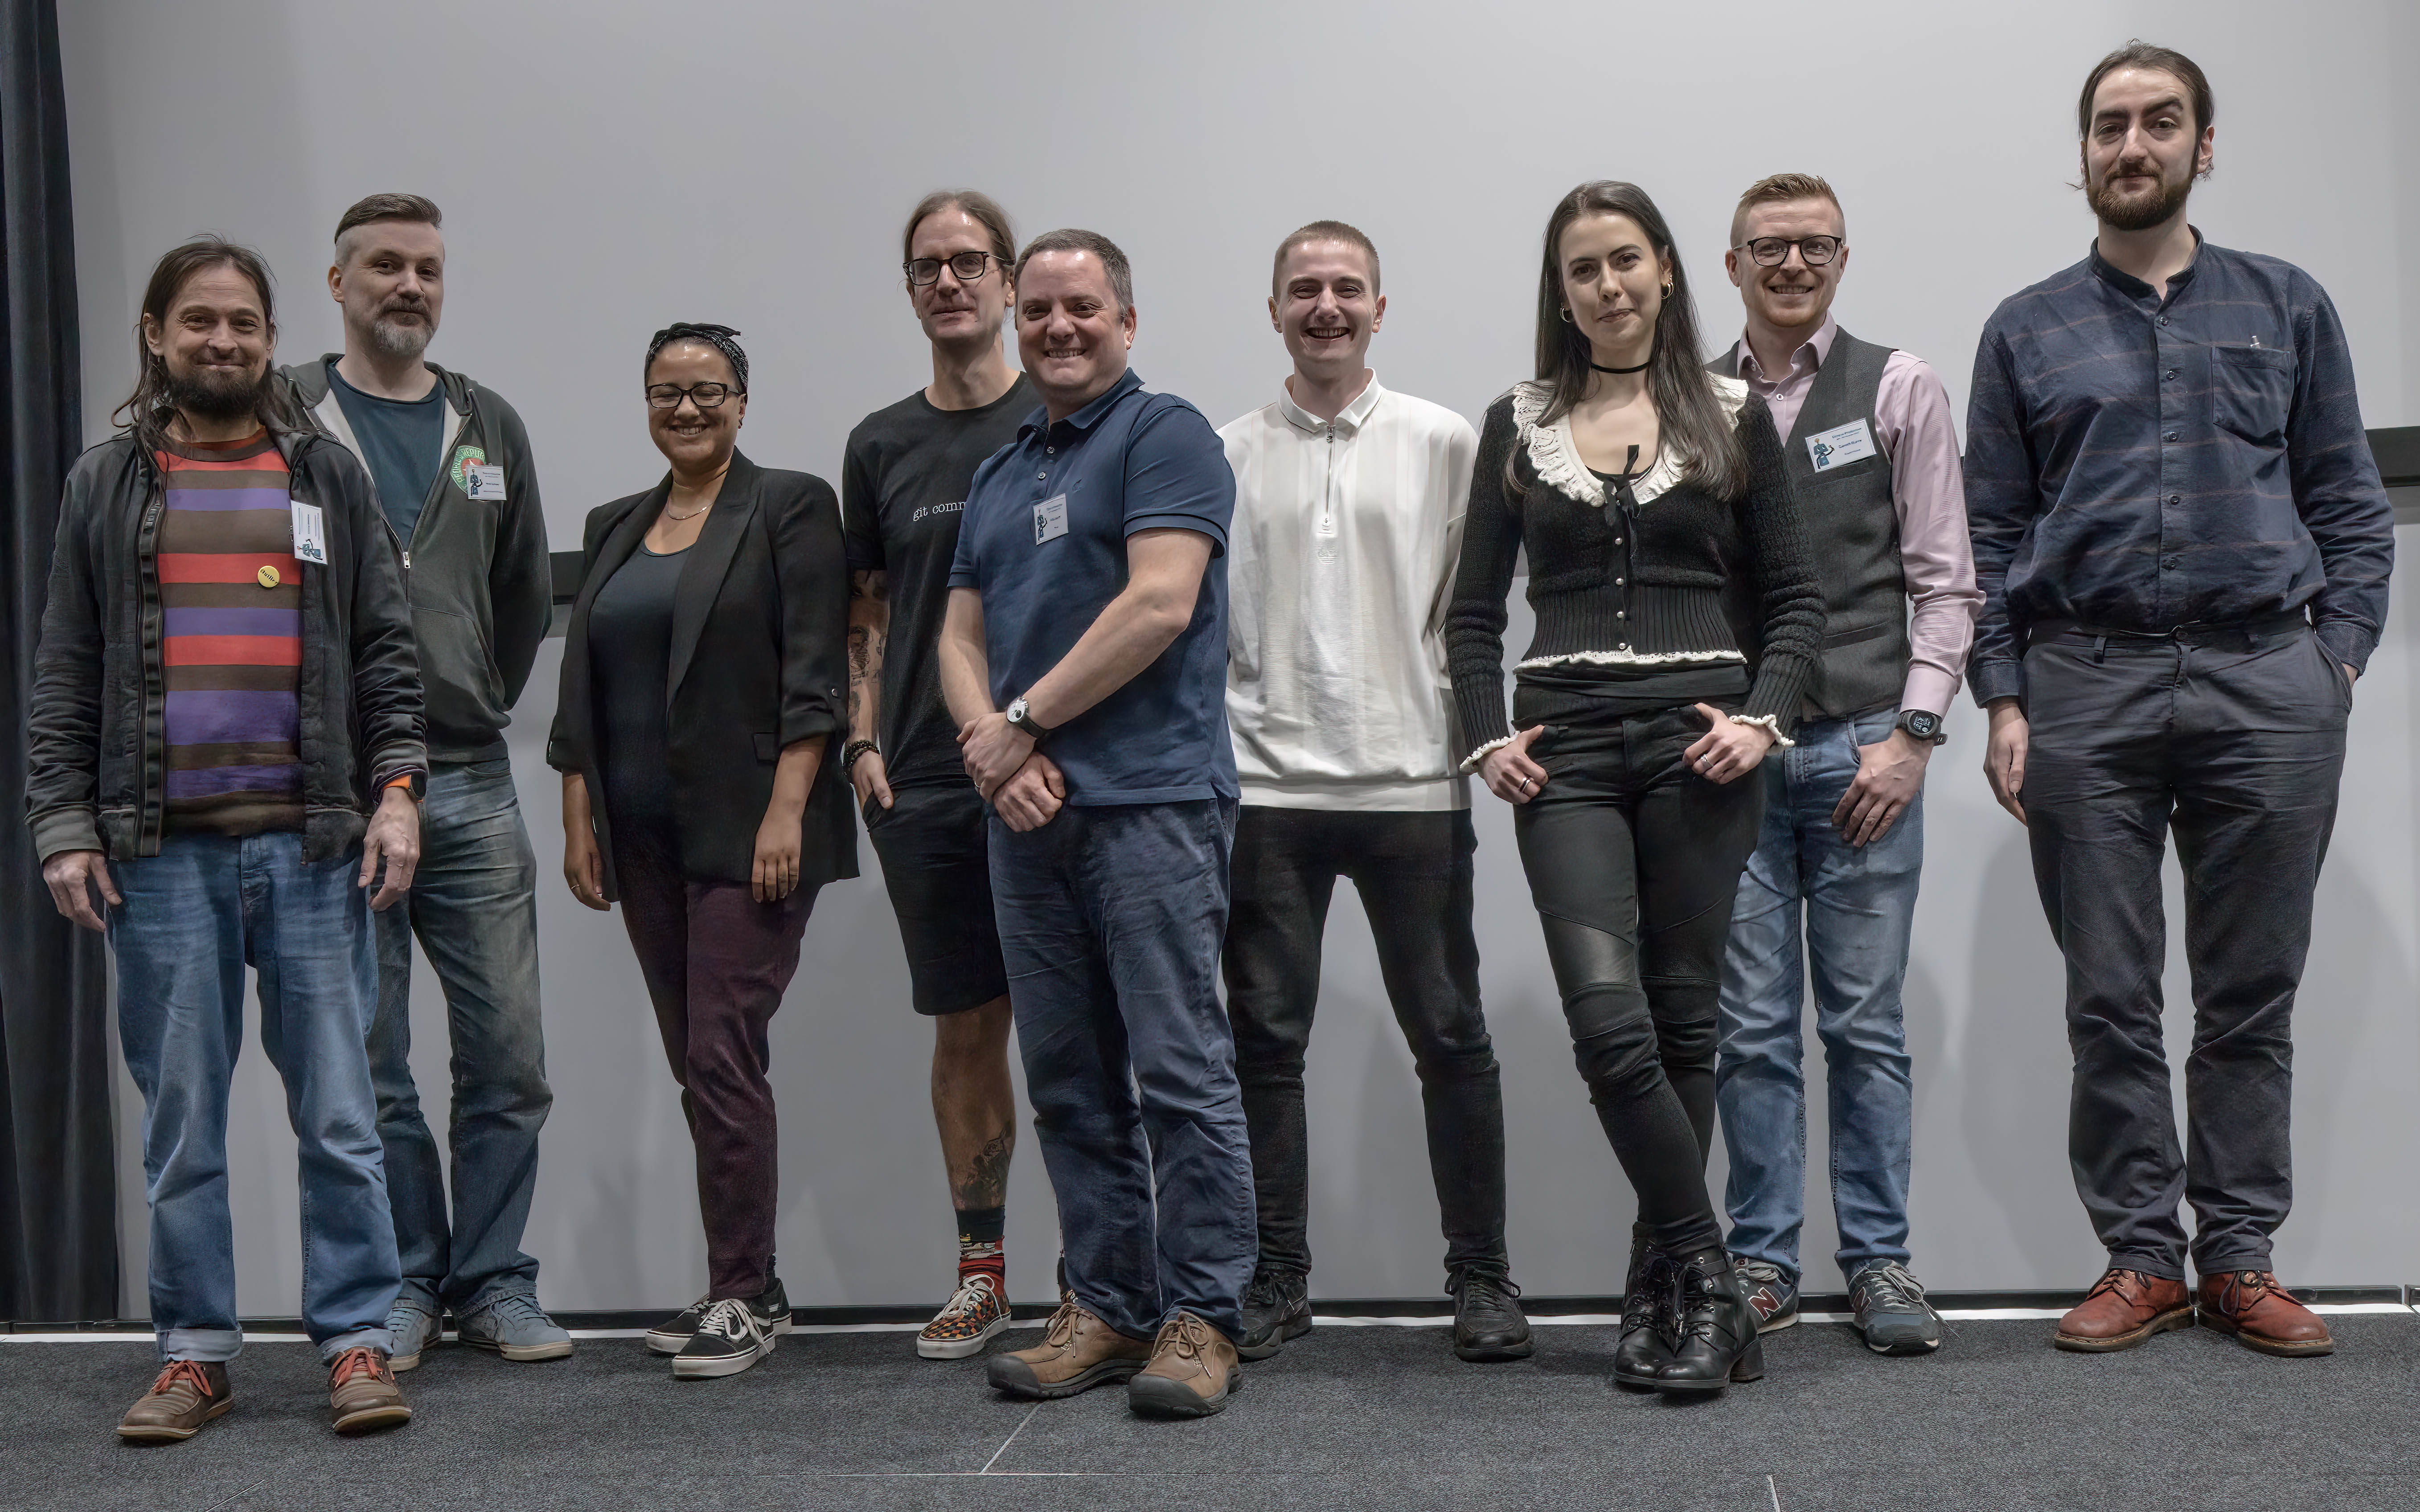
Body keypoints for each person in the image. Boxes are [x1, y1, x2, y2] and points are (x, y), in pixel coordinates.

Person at [1967, 43, 2392, 1358]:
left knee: (2247, 990)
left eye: (2159, 123)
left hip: (2264, 680)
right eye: (2108, 126)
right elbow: (1984, 537)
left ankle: (2240, 1258)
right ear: (2082, 152)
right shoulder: (2022, 328)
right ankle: (2140, 1258)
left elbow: (2344, 502)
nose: (2130, 145)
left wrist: (2335, 659)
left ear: (2201, 147)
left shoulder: (2286, 305)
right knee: (2106, 991)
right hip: (2081, 684)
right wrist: (2001, 694)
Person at [29, 238, 424, 1440]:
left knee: (344, 1118)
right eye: (198, 322)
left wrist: (397, 791)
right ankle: (195, 1351)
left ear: (267, 336)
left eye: (243, 324)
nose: (222, 343)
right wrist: (61, 824)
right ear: (156, 334)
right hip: (159, 854)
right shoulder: (108, 482)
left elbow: (385, 649)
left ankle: (358, 1343)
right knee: (182, 1123)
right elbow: (66, 667)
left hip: (311, 848)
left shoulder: (324, 475)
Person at [1445, 181, 1821, 1396]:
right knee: (1608, 1029)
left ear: (1664, 270)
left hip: (1696, 741)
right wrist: (1482, 736)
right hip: (1565, 749)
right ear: (1559, 292)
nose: (1606, 286)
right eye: (1581, 270)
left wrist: (1761, 721)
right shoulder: (1518, 421)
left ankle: (1654, 1293)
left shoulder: (1728, 412)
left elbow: (1798, 601)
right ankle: (1708, 1277)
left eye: (1624, 261)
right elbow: (1465, 620)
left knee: (1683, 1021)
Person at [940, 229, 1252, 1418]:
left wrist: (1019, 721)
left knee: (1178, 1071)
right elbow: (954, 636)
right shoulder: (1002, 464)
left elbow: (1159, 603)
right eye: (1037, 312)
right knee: (1067, 1076)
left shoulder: (1161, 433)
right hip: (1023, 817)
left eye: (1080, 309)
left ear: (1124, 319)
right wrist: (991, 750)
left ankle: (1203, 1315)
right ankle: (1110, 1303)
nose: (1057, 329)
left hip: (1150, 806)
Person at [1219, 220, 1526, 1363]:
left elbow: (1476, 612)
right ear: (1275, 310)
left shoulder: (1447, 440)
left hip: (1416, 783)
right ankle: (1276, 1276)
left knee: (1452, 1036)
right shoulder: (1223, 450)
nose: (1327, 306)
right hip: (1267, 784)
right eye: (1304, 288)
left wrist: (1474, 738)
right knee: (1265, 1042)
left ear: (1381, 309)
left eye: (1348, 288)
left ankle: (1484, 1278)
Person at [278, 192, 564, 1371]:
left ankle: (492, 1280)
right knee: (371, 1054)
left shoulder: (485, 422)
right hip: (332, 788)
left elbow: (521, 594)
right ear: (337, 283)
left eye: (428, 269)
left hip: (470, 780)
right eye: (385, 265)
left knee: (508, 1054)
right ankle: (406, 1279)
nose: (409, 285)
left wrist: (471, 689)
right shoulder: (284, 411)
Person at [547, 323, 854, 1379]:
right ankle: (748, 1279)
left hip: (751, 824)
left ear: (742, 400)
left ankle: (741, 1293)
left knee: (721, 1047)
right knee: (696, 1056)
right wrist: (578, 803)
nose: (687, 408)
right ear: (645, 401)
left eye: (708, 390)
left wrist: (789, 808)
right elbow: (585, 684)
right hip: (640, 831)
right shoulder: (616, 525)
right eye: (667, 391)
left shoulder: (788, 504)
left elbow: (816, 661)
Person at [1706, 174, 1981, 1355]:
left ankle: (1876, 1263)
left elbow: (1943, 579)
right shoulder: (1692, 400)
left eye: (1811, 245)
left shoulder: (1898, 385)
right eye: (1767, 247)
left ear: (1840, 256)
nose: (1790, 264)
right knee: (1750, 1028)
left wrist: (1912, 738)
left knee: (1862, 1025)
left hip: (1867, 748)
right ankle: (1760, 1261)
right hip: (1733, 759)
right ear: (1729, 264)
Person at [841, 191, 1035, 1360]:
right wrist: (863, 740)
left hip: (1059, 769)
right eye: (928, 265)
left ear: (1008, 282)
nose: (949, 280)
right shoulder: (879, 444)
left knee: (1083, 1023)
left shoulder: (1062, 415)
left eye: (969, 261)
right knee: (966, 1029)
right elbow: (867, 607)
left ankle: (1112, 1274)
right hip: (921, 774)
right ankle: (981, 1273)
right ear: (910, 288)